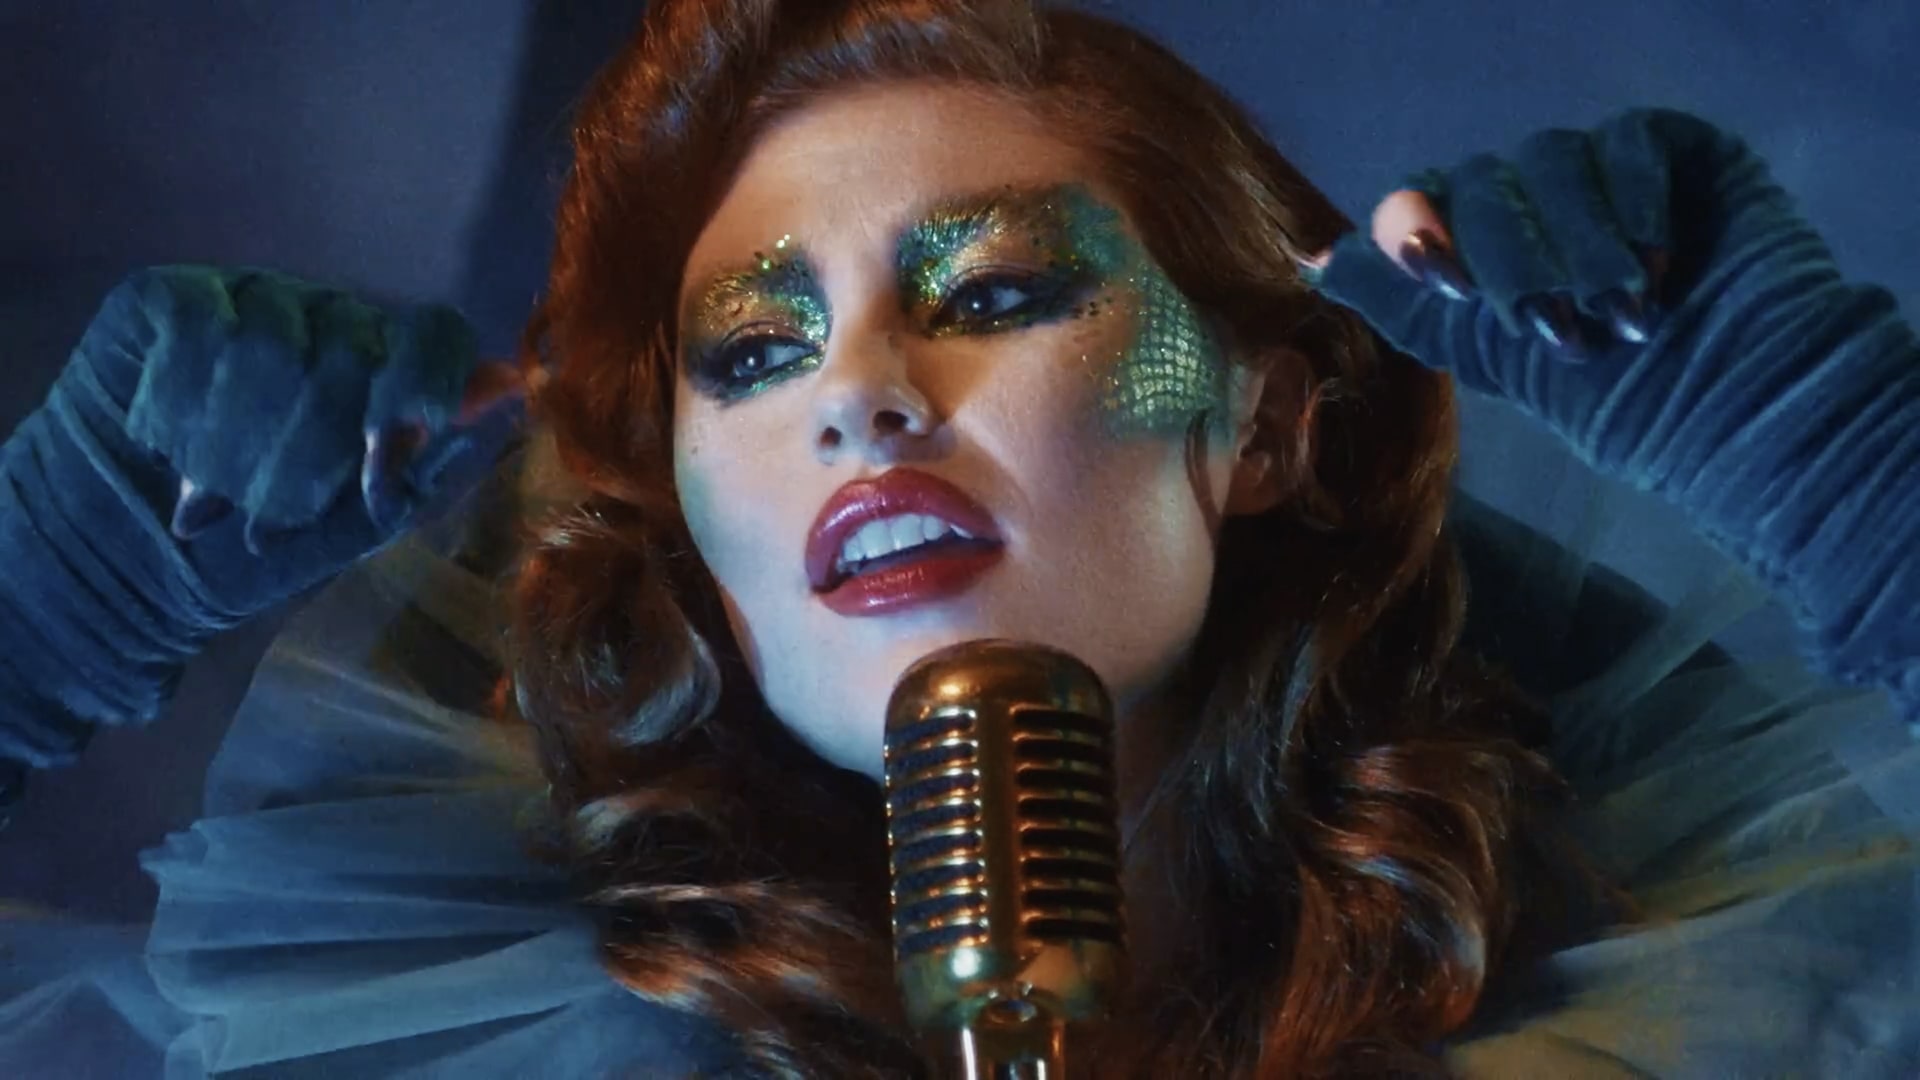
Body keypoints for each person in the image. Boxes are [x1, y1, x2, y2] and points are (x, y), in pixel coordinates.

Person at [3, 0, 1916, 1076]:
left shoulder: (1715, 1013)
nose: (857, 395)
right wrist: (35, 611)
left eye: (994, 295)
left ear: (1262, 425)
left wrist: (1847, 459)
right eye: (753, 352)